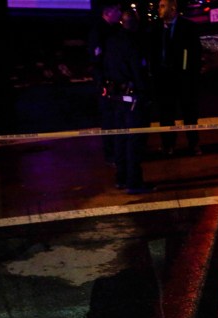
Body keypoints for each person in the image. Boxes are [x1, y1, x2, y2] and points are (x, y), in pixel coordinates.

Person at [102, 7, 153, 194]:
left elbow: (105, 67)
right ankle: (134, 182)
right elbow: (138, 71)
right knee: (135, 141)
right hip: (132, 96)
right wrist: (145, 93)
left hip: (116, 96)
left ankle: (121, 178)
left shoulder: (112, 41)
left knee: (120, 139)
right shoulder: (133, 43)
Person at [149, 0, 203, 156]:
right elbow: (152, 53)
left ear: (173, 9)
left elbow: (196, 53)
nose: (158, 9)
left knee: (189, 113)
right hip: (163, 79)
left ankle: (193, 143)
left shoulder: (188, 27)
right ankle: (168, 144)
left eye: (162, 6)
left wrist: (191, 74)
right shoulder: (155, 28)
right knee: (166, 113)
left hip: (184, 78)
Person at [89, 0, 123, 165]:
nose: (120, 13)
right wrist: (102, 83)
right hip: (107, 82)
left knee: (117, 118)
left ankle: (117, 151)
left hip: (115, 80)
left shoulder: (115, 29)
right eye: (117, 10)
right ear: (108, 12)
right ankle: (110, 154)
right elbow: (97, 60)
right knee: (109, 119)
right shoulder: (100, 31)